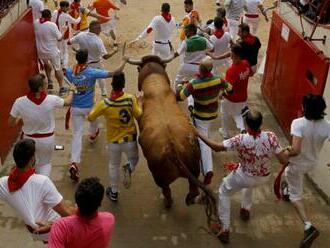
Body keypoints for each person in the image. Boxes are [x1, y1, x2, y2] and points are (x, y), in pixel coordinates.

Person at [197, 110, 287, 243]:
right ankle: (245, 209)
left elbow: (216, 147)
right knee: (249, 185)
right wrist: (288, 152)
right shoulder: (271, 137)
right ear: (261, 123)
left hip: (244, 176)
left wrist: (199, 134)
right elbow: (283, 160)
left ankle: (224, 229)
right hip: (263, 177)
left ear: (246, 125)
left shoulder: (240, 139)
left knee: (224, 192)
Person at [66, 49, 127, 182]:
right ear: (87, 59)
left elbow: (64, 73)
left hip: (76, 107)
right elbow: (114, 73)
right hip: (89, 107)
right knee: (94, 122)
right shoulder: (91, 72)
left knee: (77, 135)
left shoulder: (71, 71)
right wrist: (124, 61)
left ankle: (74, 163)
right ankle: (93, 134)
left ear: (77, 59)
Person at [0, 139, 74, 243]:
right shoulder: (42, 182)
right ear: (31, 160)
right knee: (73, 210)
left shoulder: (4, 184)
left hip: (33, 231)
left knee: (67, 204)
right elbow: (67, 215)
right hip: (49, 229)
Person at [282, 94, 330, 247]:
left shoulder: (298, 123)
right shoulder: (327, 125)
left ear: (304, 108)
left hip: (297, 164)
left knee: (295, 194)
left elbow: (295, 150)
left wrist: (284, 151)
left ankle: (308, 226)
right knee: (288, 177)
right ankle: (286, 191)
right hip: (312, 163)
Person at [176, 57, 232, 185]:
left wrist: (180, 85)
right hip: (213, 113)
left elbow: (180, 97)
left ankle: (208, 170)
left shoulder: (194, 83)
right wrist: (221, 95)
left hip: (201, 116)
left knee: (203, 142)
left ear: (200, 69)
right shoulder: (218, 79)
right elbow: (230, 89)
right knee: (207, 131)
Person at [88, 72, 142, 201]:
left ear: (112, 84)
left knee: (113, 165)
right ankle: (129, 166)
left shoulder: (105, 103)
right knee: (134, 159)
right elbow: (139, 115)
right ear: (123, 85)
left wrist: (95, 104)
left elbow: (90, 117)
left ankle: (114, 192)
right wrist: (139, 102)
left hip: (113, 141)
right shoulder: (130, 98)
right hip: (130, 139)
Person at [8, 74, 75, 177]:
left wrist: (20, 118)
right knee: (45, 164)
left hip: (28, 141)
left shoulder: (19, 102)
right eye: (45, 84)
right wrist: (72, 90)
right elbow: (68, 101)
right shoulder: (51, 99)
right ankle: (42, 186)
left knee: (28, 166)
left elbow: (10, 123)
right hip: (46, 140)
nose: (47, 85)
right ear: (40, 88)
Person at [48, 177, 115, 247]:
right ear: (100, 203)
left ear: (77, 201)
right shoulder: (109, 219)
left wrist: (54, 228)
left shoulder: (61, 226)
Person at [68, 21, 118, 97]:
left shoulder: (81, 35)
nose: (100, 30)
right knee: (101, 77)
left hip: (83, 64)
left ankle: (85, 93)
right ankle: (103, 93)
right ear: (94, 29)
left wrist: (78, 49)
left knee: (84, 80)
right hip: (96, 63)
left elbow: (69, 42)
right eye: (99, 28)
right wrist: (114, 51)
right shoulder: (98, 40)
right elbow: (105, 56)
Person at [174, 24, 214, 108]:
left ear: (191, 31)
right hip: (199, 68)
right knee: (193, 84)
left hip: (186, 67)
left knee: (178, 81)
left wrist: (168, 58)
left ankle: (177, 96)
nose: (184, 32)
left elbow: (177, 53)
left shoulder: (186, 42)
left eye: (186, 30)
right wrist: (207, 39)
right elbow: (212, 49)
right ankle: (191, 103)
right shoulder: (203, 40)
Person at [219, 44, 252, 139]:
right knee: (237, 113)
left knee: (225, 113)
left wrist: (222, 94)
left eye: (231, 52)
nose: (230, 54)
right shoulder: (246, 63)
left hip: (231, 98)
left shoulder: (231, 71)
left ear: (234, 55)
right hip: (243, 97)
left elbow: (229, 88)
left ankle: (224, 132)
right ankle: (242, 129)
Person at [34, 9, 65, 95]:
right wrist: (64, 30)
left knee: (47, 64)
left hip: (40, 52)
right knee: (57, 69)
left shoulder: (36, 22)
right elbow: (59, 38)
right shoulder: (52, 25)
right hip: (52, 51)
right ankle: (61, 87)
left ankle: (50, 81)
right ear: (49, 16)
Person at [52, 1, 81, 72]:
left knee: (58, 49)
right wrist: (80, 15)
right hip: (63, 36)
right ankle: (64, 66)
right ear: (64, 7)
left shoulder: (55, 12)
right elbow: (76, 21)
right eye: (67, 7)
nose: (69, 8)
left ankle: (60, 61)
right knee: (65, 51)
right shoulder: (66, 16)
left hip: (56, 35)